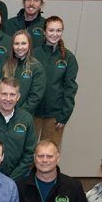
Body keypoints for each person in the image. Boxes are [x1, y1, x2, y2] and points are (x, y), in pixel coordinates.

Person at [33, 16, 79, 148]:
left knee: (48, 153)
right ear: (44, 31)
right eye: (51, 30)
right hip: (33, 113)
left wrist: (64, 115)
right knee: (28, 152)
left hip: (55, 116)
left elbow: (70, 88)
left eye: (58, 30)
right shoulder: (34, 54)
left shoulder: (68, 58)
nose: (54, 34)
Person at [2, 30, 47, 114]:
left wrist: (19, 114)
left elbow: (35, 97)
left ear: (29, 45)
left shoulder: (36, 67)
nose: (20, 47)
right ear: (12, 46)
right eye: (16, 44)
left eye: (23, 43)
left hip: (23, 115)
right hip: (2, 114)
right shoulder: (4, 64)